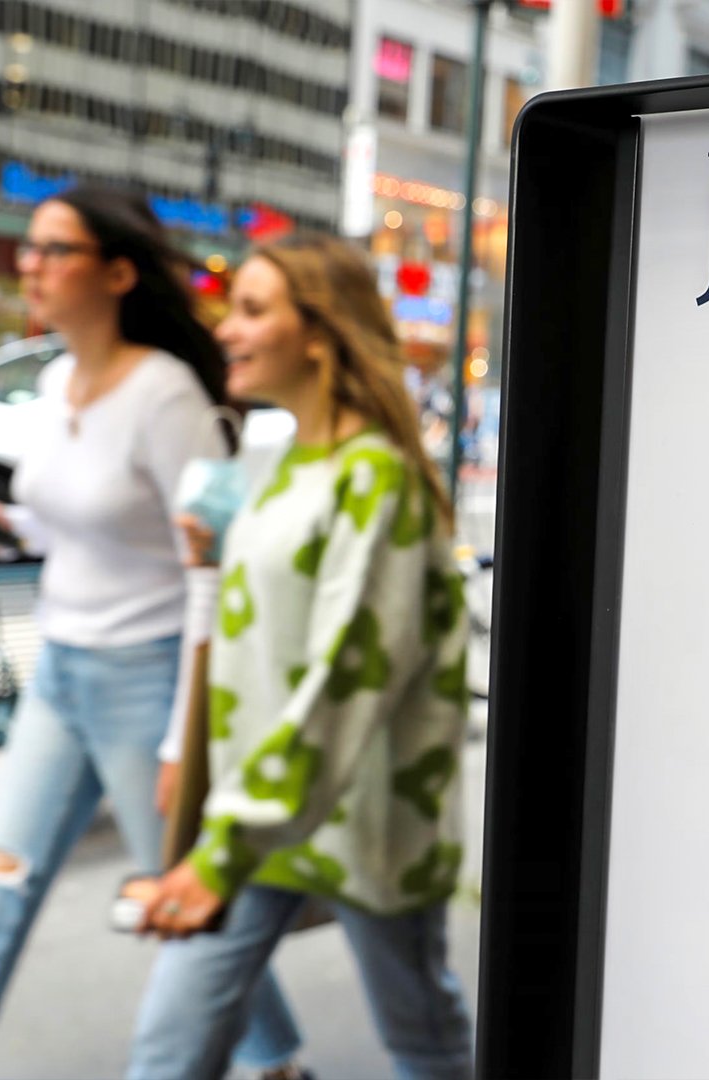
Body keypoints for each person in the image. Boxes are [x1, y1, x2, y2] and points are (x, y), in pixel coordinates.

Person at [0, 186, 309, 1080]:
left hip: (149, 682)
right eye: (30, 250)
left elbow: (212, 565)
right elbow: (75, 522)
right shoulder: (50, 384)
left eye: (54, 250)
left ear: (118, 273)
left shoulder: (167, 399)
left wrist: (178, 739)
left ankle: (275, 1065)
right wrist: (3, 524)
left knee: (185, 906)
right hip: (61, 678)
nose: (30, 266)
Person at [126, 233, 473, 1080]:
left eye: (251, 310)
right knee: (170, 1047)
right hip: (260, 816)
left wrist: (219, 849)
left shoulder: (376, 477)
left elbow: (346, 673)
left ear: (317, 332)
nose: (226, 330)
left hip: (364, 815)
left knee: (422, 1040)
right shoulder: (282, 462)